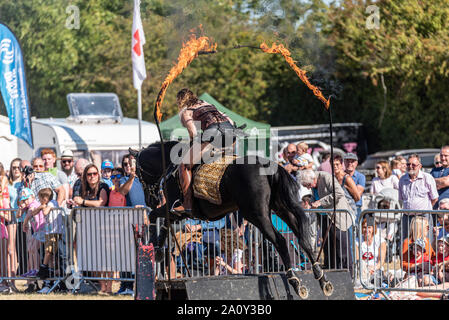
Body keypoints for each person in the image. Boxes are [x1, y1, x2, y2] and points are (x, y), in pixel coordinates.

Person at [172, 88, 235, 214]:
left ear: (180, 101)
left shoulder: (186, 111)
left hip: (213, 133)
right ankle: (220, 151)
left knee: (184, 165)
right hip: (231, 132)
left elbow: (193, 133)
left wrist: (193, 144)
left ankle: (187, 204)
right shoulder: (208, 104)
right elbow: (230, 120)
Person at [298, 169, 354, 272]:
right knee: (329, 251)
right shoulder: (313, 183)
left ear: (314, 179)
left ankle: (348, 275)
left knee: (342, 250)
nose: (308, 187)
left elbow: (339, 193)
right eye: (306, 186)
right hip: (324, 218)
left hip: (337, 218)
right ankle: (333, 275)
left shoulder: (326, 177)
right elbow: (317, 196)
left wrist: (320, 202)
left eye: (308, 185)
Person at [26, 188, 60, 294]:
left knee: (49, 253)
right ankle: (47, 283)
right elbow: (35, 213)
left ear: (45, 198)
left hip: (54, 233)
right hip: (48, 233)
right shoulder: (45, 204)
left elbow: (45, 211)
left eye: (40, 198)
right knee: (49, 257)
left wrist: (43, 206)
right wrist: (40, 206)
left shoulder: (52, 202)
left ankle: (43, 269)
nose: (39, 200)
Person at [398, 154, 438, 241]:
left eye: (413, 165)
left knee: (426, 242)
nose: (410, 167)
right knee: (407, 244)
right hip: (407, 217)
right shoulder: (402, 180)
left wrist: (424, 209)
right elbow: (401, 199)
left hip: (424, 217)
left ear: (420, 166)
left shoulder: (427, 178)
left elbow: (434, 198)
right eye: (408, 164)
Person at [19, 188, 45, 293]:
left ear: (33, 197)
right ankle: (34, 269)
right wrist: (20, 208)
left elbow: (30, 214)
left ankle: (36, 269)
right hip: (37, 230)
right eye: (23, 200)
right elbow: (19, 215)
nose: (25, 201)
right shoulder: (29, 205)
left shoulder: (34, 204)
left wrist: (25, 223)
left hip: (42, 229)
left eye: (26, 199)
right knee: (30, 248)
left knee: (33, 248)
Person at [401, 216, 436, 287]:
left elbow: (434, 258)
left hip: (427, 274)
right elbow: (403, 265)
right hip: (412, 274)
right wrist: (418, 265)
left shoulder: (427, 241)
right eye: (427, 226)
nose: (429, 228)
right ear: (420, 227)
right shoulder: (407, 242)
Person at [6, 158, 23, 292]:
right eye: (14, 167)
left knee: (26, 252)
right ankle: (11, 281)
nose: (16, 169)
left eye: (18, 167)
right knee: (11, 251)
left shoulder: (24, 183)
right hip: (10, 220)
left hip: (25, 220)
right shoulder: (8, 184)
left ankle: (30, 282)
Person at [355, 215, 387, 288]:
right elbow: (357, 260)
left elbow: (381, 262)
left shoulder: (381, 241)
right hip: (363, 270)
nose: (366, 230)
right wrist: (365, 268)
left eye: (369, 227)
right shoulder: (357, 241)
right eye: (364, 227)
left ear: (373, 228)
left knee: (376, 279)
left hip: (376, 270)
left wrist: (374, 268)